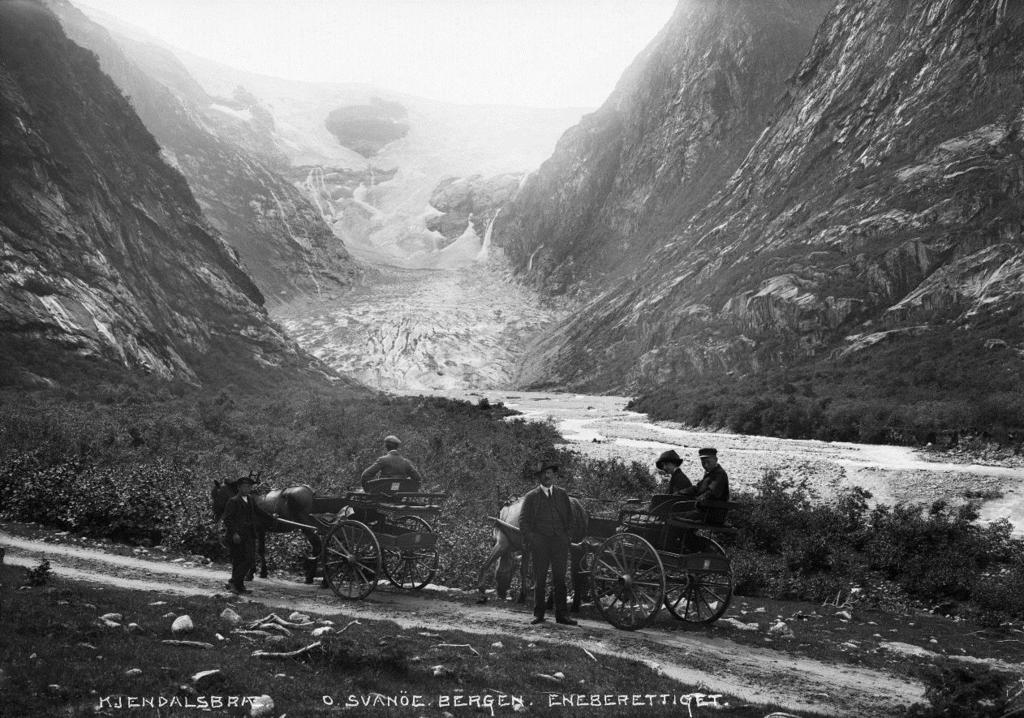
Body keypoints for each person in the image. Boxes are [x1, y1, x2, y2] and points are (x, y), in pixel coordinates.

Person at [519, 459, 581, 627]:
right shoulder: (531, 496)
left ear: (554, 475)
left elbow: (570, 519)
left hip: (559, 543)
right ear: (539, 477)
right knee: (539, 580)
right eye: (543, 474)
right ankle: (539, 614)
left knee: (559, 580)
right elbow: (523, 521)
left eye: (549, 473)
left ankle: (562, 616)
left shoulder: (562, 494)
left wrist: (566, 537)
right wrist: (533, 539)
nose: (546, 476)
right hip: (540, 544)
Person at [222, 475, 276, 594]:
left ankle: (238, 585)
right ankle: (234, 583)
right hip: (237, 536)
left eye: (249, 487)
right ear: (239, 488)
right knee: (240, 560)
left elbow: (258, 511)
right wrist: (234, 533)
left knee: (249, 559)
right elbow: (227, 519)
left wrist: (271, 517)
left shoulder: (250, 499)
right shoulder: (233, 501)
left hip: (249, 534)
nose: (247, 489)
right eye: (244, 487)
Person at [677, 447, 730, 524]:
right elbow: (697, 488)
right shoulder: (710, 474)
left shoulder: (720, 474)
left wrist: (697, 500)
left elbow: (711, 492)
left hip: (713, 515)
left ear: (716, 459)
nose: (705, 465)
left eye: (708, 462)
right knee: (673, 513)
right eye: (703, 462)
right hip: (705, 512)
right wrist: (680, 493)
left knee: (673, 516)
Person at [360, 435, 425, 492]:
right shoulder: (406, 462)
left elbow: (365, 475)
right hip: (399, 495)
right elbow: (418, 478)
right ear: (397, 447)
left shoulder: (383, 460)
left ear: (386, 446)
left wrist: (367, 490)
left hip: (382, 493)